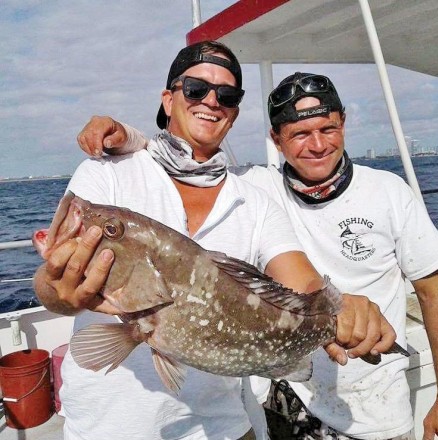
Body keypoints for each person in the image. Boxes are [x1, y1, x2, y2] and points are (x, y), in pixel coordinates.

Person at [34, 42, 396, 440]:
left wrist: (344, 310)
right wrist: (58, 292)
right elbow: (49, 285)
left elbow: (304, 283)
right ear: (168, 99)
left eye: (227, 95)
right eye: (195, 89)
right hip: (107, 428)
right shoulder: (108, 174)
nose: (211, 101)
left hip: (221, 426)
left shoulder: (253, 199)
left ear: (234, 114)